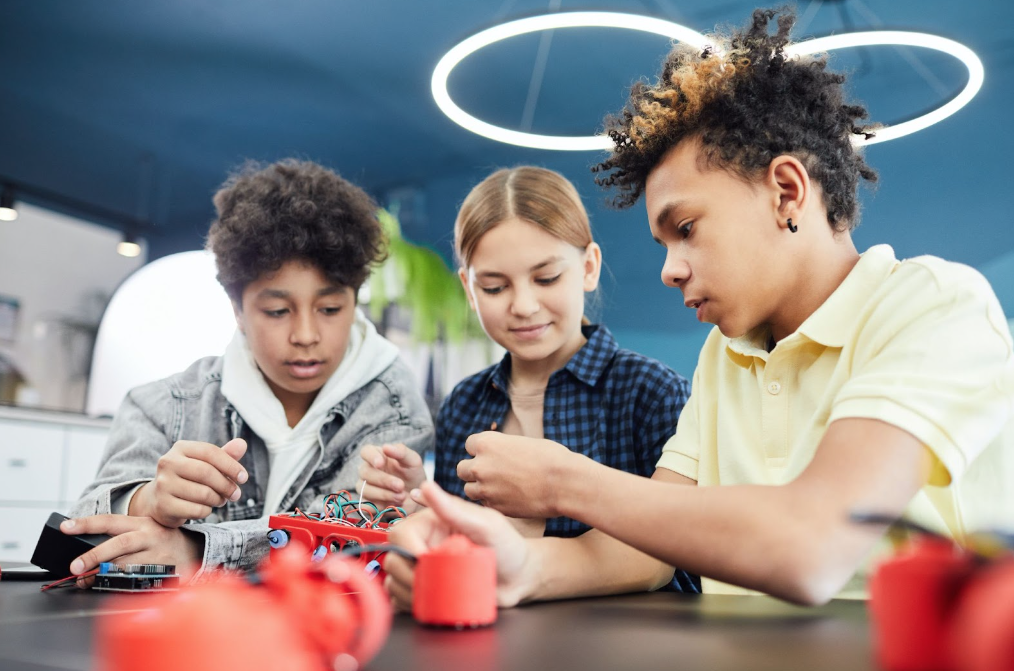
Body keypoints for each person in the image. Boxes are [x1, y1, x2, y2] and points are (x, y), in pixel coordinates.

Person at [383, 8, 1014, 608]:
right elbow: (645, 556)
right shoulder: (726, 356)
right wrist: (522, 569)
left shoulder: (933, 306)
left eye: (685, 228)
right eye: (663, 243)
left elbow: (812, 545)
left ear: (787, 191)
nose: (669, 268)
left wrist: (561, 481)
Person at [62, 160, 434, 581]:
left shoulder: (392, 408)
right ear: (237, 309)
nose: (307, 334)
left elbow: (339, 546)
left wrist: (197, 549)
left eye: (330, 309)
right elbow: (80, 530)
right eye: (277, 311)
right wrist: (145, 501)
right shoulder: (164, 406)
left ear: (354, 301)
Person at [357, 166, 698, 592]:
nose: (523, 305)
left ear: (589, 266)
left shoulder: (652, 392)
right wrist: (419, 498)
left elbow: (678, 551)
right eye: (495, 287)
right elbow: (461, 548)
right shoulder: (465, 403)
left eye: (546, 278)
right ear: (468, 289)